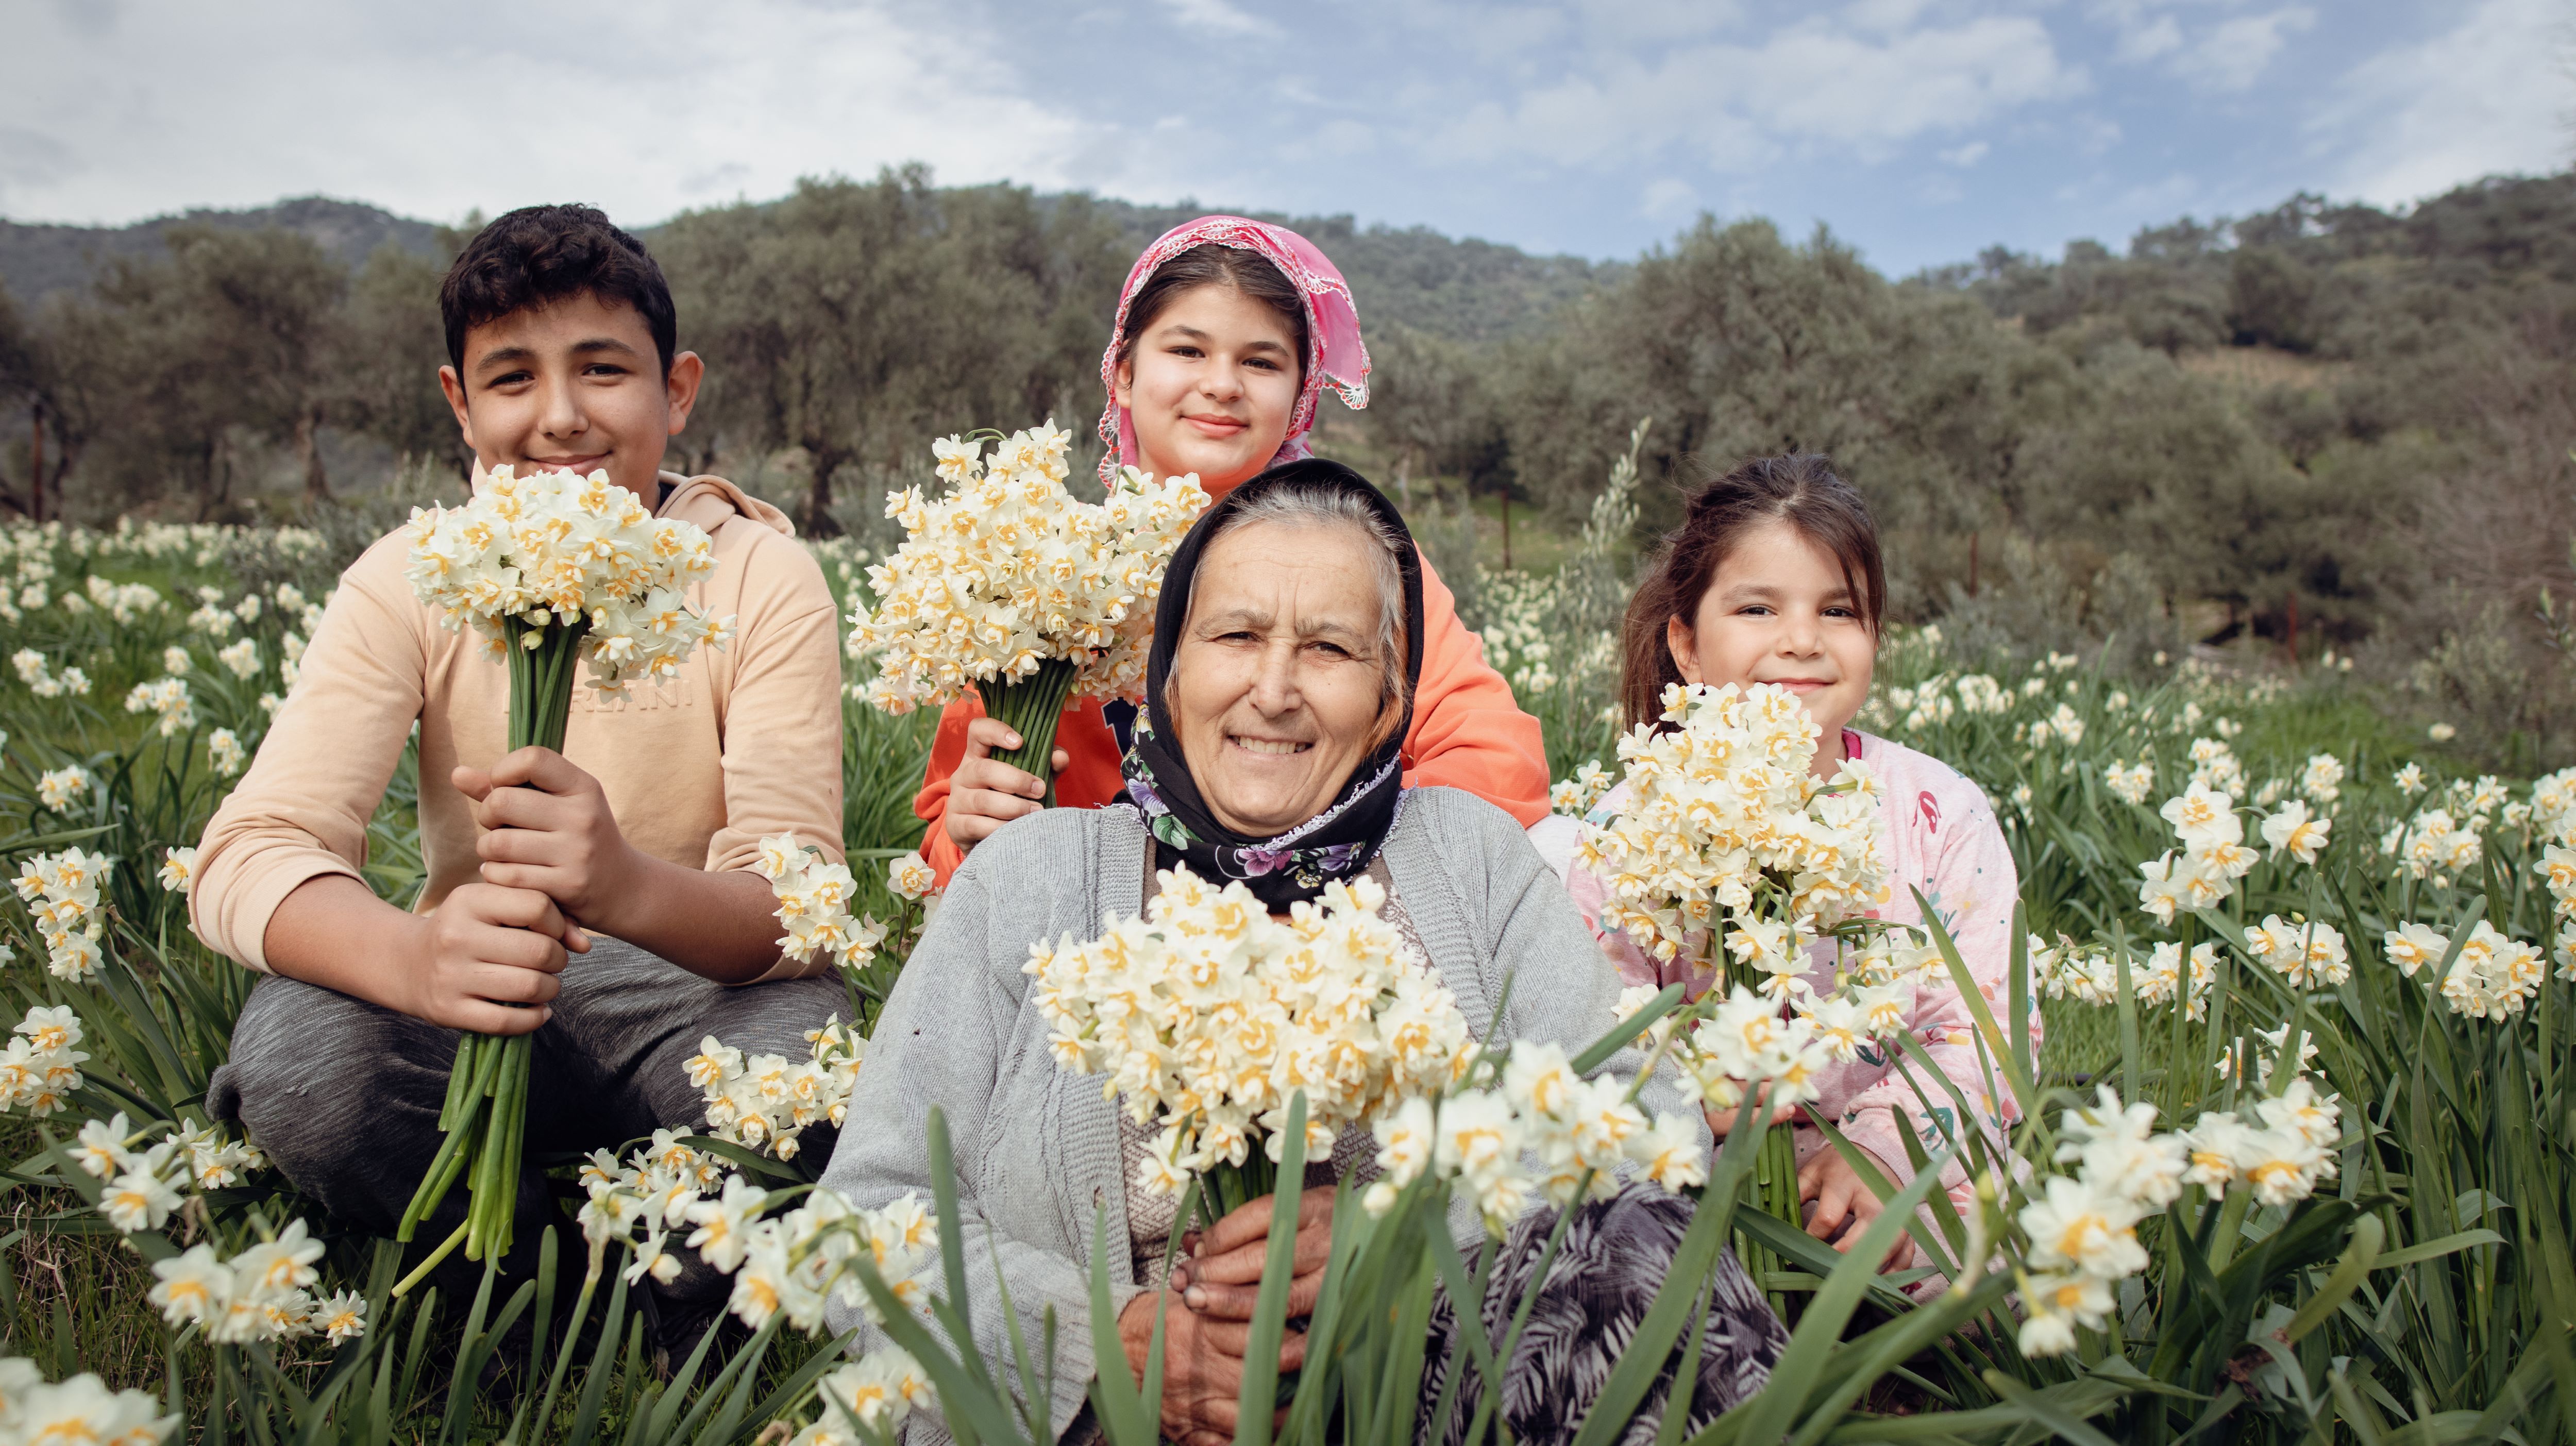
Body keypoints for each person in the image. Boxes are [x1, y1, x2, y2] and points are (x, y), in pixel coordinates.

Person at [821, 462, 1784, 1445]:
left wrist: (1405, 1234)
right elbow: (864, 1213)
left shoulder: (1470, 856)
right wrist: (1107, 1346)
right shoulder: (1025, 878)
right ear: (1172, 670)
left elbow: (1645, 1120)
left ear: (1387, 694)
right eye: (1234, 636)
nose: (1273, 689)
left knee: (1645, 1251)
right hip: (1104, 1421)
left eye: (1327, 647)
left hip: (1432, 1386)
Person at [194, 205, 848, 1340]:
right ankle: (528, 1285)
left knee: (808, 1072)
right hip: (471, 988)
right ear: (459, 403)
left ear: (677, 389)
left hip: (697, 985)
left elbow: (798, 904)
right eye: (512, 379)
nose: (559, 418)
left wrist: (627, 885)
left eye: (602, 370)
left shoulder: (756, 574)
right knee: (301, 1061)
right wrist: (410, 950)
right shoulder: (409, 575)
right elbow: (248, 853)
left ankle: (662, 1308)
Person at [910, 216, 1549, 888]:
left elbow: (1497, 758)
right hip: (1087, 945)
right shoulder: (1045, 577)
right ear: (1124, 374)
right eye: (1187, 351)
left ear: (1301, 396)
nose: (1222, 384)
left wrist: (1310, 852)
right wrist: (970, 828)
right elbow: (946, 848)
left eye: (1261, 361)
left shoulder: (1368, 564)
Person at [1546, 453, 2033, 1279]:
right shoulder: (1631, 829)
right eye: (1758, 607)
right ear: (1687, 645)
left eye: (1839, 610)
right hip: (1691, 1172)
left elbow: (1983, 1040)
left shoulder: (1941, 814)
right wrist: (1690, 1107)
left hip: (1910, 1166)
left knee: (1993, 1269)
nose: (1801, 640)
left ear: (1876, 633)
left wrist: (1887, 1154)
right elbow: (1598, 1043)